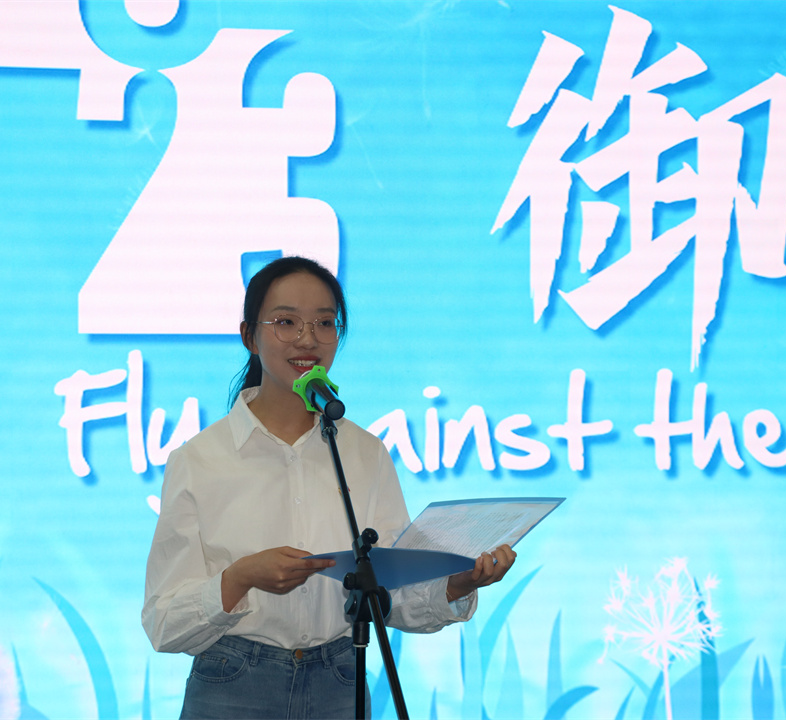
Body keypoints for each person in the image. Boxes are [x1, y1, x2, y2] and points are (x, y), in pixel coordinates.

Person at [142, 256, 516, 718]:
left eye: (324, 323)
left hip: (339, 681)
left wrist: (458, 583)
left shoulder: (363, 452)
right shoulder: (199, 460)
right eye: (285, 322)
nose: (307, 339)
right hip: (233, 684)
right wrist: (239, 578)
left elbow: (389, 594)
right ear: (249, 337)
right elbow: (164, 622)